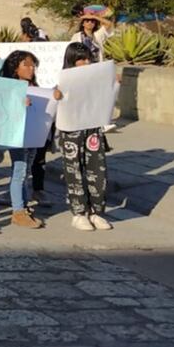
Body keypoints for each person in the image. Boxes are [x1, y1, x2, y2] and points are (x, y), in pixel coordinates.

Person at [56, 42, 113, 232]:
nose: (85, 62)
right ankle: (79, 213)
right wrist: (56, 95)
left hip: (92, 128)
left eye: (87, 58)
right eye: (80, 59)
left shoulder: (96, 78)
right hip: (71, 130)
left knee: (97, 169)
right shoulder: (64, 79)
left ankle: (96, 211)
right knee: (75, 171)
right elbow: (55, 97)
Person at [0, 51, 44, 228]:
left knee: (26, 171)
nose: (31, 68)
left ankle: (23, 206)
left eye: (33, 65)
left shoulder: (34, 86)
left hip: (32, 135)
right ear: (15, 68)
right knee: (19, 171)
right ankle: (18, 211)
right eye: (26, 64)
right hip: (16, 135)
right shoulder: (10, 87)